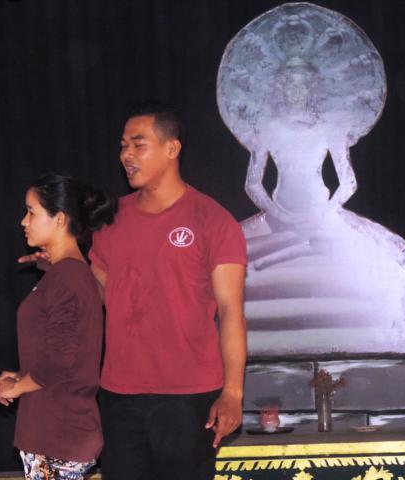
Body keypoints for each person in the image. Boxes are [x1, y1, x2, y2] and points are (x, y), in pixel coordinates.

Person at [89, 104, 247, 480]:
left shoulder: (212, 220)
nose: (126, 155)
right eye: (123, 146)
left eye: (138, 144)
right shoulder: (110, 220)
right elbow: (103, 295)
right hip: (119, 393)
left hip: (189, 396)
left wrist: (233, 393)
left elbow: (231, 311)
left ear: (171, 148)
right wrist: (63, 267)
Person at [0, 174, 117, 480]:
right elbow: (63, 357)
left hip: (59, 435)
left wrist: (17, 387)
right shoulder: (64, 275)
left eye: (31, 212)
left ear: (59, 219)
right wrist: (21, 376)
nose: (24, 221)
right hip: (55, 432)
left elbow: (60, 361)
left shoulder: (68, 278)